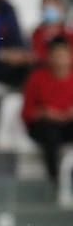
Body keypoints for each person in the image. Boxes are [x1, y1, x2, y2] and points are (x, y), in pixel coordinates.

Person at [20, 36, 73, 184]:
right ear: (49, 57)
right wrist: (45, 113)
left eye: (64, 55)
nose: (61, 59)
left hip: (68, 124)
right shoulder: (36, 78)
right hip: (44, 125)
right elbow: (26, 112)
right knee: (51, 132)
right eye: (57, 55)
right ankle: (55, 180)